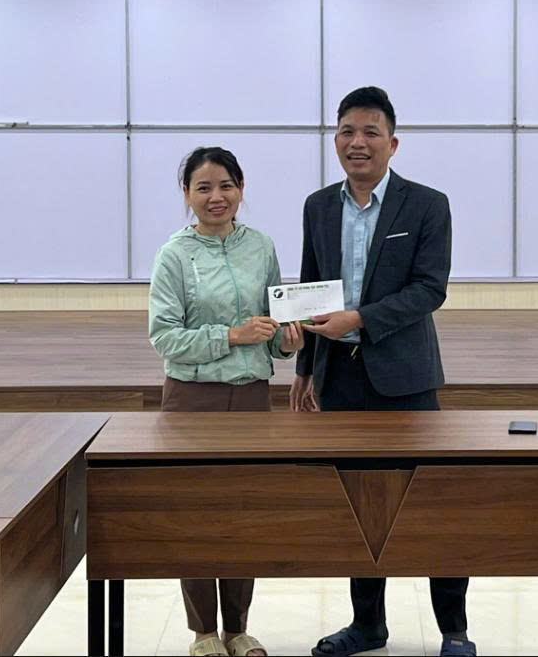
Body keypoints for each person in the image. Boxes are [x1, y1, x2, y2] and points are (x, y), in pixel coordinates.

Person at [290, 87, 476, 657]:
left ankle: (454, 631)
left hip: (406, 379)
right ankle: (368, 625)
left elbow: (430, 289)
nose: (358, 142)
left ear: (392, 144)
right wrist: (304, 368)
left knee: (432, 502)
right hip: (339, 379)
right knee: (358, 506)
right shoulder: (319, 206)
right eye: (347, 131)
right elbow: (310, 287)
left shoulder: (427, 205)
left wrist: (361, 319)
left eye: (370, 132)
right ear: (335, 141)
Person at [148, 146, 304, 657]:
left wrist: (287, 342)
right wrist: (231, 336)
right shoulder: (174, 254)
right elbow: (164, 337)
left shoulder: (261, 247)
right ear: (187, 195)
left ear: (241, 189)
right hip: (192, 400)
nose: (217, 197)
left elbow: (274, 329)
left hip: (252, 396)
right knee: (195, 514)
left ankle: (238, 629)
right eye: (204, 188)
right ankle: (203, 633)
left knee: (244, 512)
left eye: (226, 186)